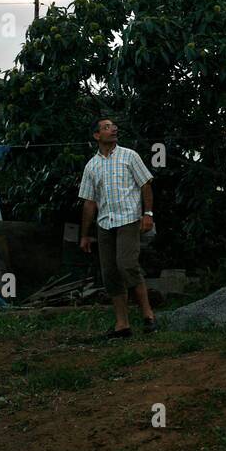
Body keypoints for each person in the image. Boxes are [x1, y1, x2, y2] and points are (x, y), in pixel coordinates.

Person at [79, 116, 157, 339]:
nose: (113, 129)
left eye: (113, 126)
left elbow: (146, 184)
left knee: (127, 265)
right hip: (105, 223)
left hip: (129, 219)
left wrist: (148, 214)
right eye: (106, 127)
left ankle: (148, 315)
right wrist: (85, 235)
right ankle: (122, 324)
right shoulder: (91, 166)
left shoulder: (129, 156)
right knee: (110, 274)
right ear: (97, 136)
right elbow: (89, 202)